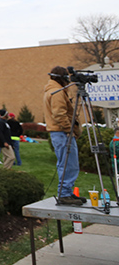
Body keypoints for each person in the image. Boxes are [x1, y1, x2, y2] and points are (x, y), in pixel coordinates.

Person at [44, 66, 85, 205]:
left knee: (67, 163)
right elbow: (59, 114)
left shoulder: (53, 90)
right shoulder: (58, 92)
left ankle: (66, 192)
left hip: (59, 132)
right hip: (62, 132)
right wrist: (70, 130)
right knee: (68, 164)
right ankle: (64, 193)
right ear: (62, 78)